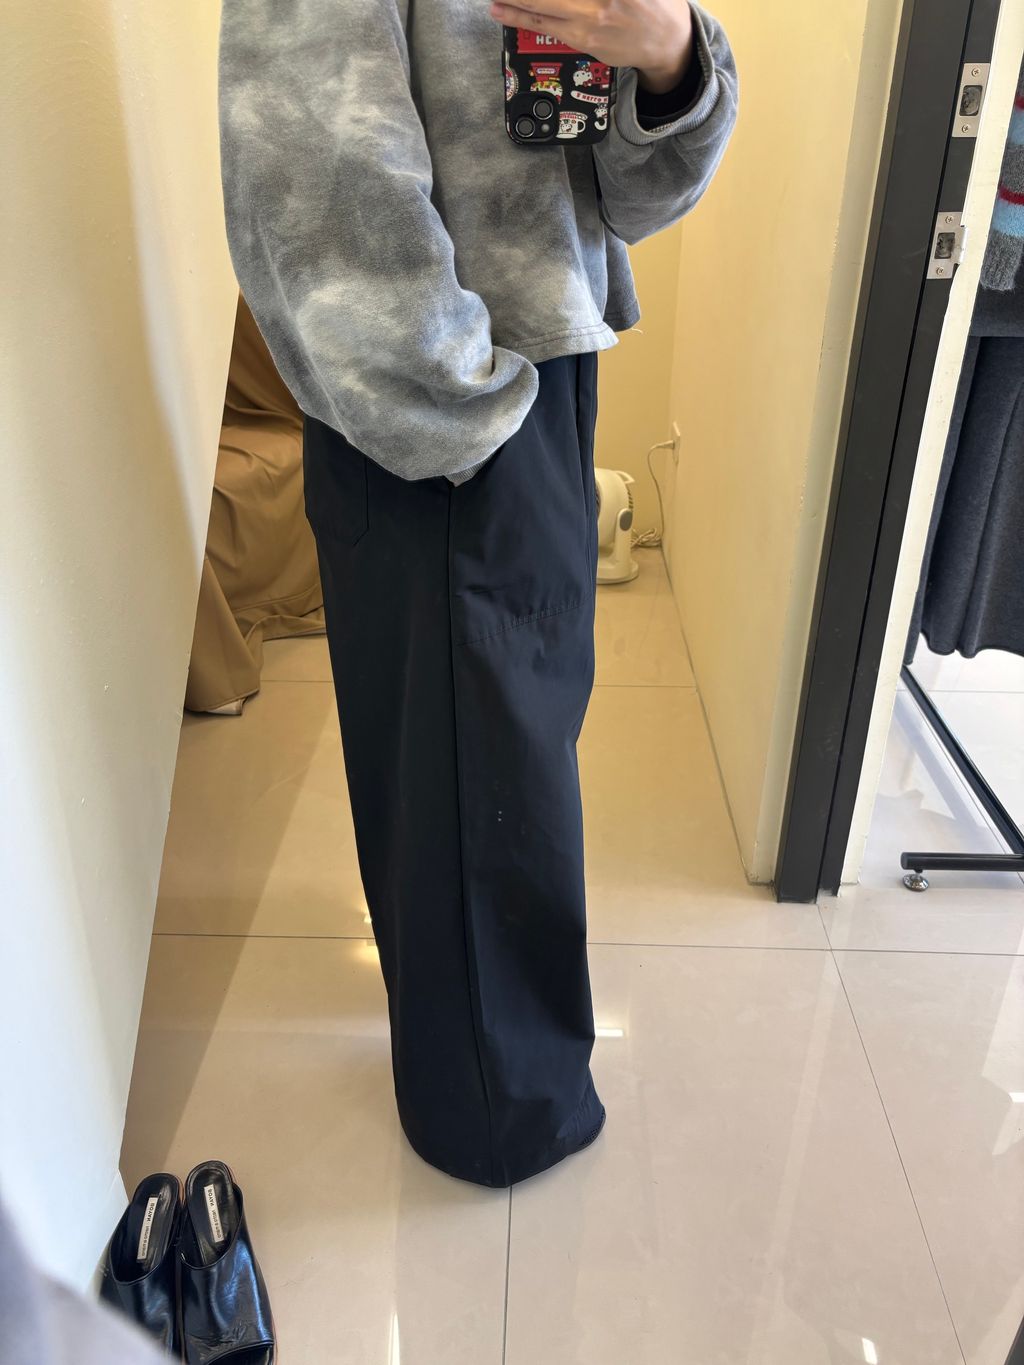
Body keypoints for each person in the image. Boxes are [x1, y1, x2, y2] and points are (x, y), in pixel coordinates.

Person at [217, 0, 738, 1188]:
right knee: (474, 774)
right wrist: (458, 405)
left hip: (532, 373)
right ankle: (496, 1116)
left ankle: (487, 1067)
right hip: (437, 405)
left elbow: (617, 195)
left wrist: (669, 61)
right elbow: (314, 168)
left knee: (505, 753)